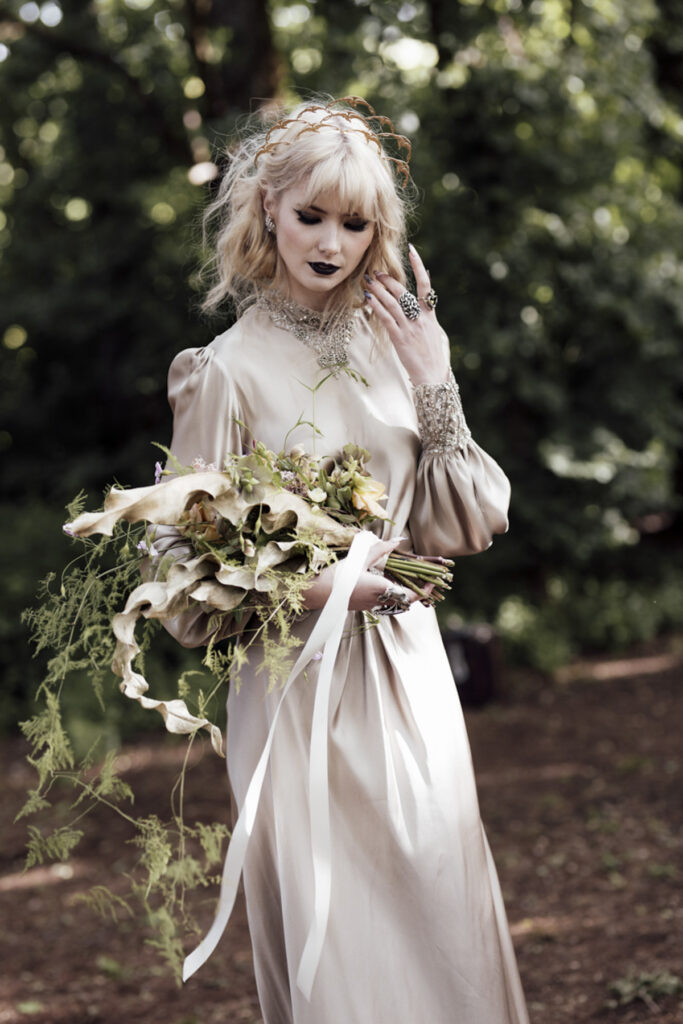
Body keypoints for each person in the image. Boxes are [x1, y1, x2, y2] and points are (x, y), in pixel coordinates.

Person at [155, 97, 529, 1024]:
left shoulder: (399, 344)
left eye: (354, 224)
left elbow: (467, 519)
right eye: (311, 216)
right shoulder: (221, 370)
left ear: (378, 232)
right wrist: (322, 584)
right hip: (294, 684)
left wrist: (434, 376)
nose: (330, 243)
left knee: (439, 904)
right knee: (342, 944)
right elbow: (182, 581)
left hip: (408, 668)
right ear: (267, 208)